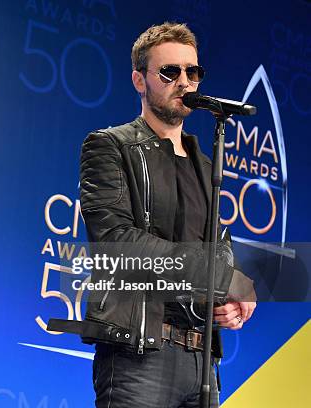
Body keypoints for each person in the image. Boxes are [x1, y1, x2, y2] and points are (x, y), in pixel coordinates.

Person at [47, 22, 256, 407]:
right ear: (139, 81)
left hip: (202, 363)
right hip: (137, 359)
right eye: (169, 72)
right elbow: (117, 244)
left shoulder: (206, 165)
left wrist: (227, 298)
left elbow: (220, 249)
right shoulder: (110, 146)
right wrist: (221, 275)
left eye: (192, 72)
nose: (184, 81)